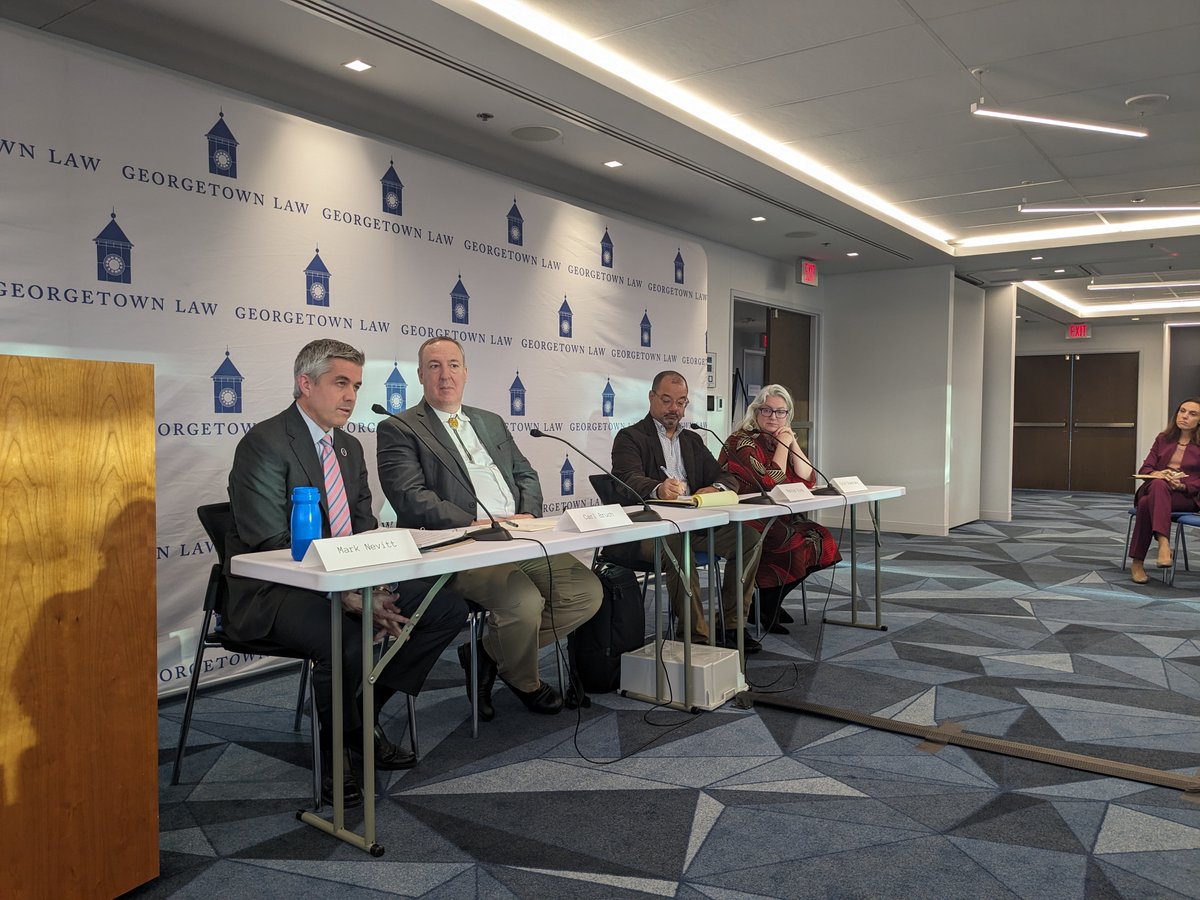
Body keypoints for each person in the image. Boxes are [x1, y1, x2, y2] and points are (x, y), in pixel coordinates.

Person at [224, 339, 466, 806]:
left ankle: (360, 716)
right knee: (346, 637)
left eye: (356, 385)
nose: (351, 396)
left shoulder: (350, 446)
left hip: (345, 580)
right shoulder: (264, 443)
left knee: (443, 608)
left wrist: (371, 586)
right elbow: (269, 543)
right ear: (305, 384)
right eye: (340, 384)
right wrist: (346, 596)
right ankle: (340, 755)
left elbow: (362, 528)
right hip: (276, 590)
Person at [376, 336, 603, 720]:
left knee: (585, 592)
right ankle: (525, 680)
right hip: (460, 546)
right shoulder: (400, 427)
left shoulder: (489, 421)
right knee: (523, 603)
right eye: (434, 366)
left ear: (466, 373)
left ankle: (486, 653)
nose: (445, 375)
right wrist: (472, 522)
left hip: (520, 537)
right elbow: (410, 498)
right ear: (419, 375)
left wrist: (528, 513)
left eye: (452, 365)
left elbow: (525, 473)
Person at [610, 370, 764, 652]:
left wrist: (716, 487)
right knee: (678, 549)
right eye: (667, 400)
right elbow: (625, 479)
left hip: (694, 525)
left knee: (749, 540)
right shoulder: (630, 437)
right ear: (651, 397)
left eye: (681, 402)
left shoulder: (692, 440)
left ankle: (731, 625)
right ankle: (696, 638)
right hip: (650, 530)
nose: (674, 409)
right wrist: (658, 488)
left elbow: (726, 476)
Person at [718, 385, 841, 632]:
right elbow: (771, 482)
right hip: (746, 515)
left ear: (788, 415)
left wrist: (791, 443)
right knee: (794, 542)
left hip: (775, 515)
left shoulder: (777, 439)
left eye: (780, 412)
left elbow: (808, 478)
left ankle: (769, 601)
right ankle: (766, 605)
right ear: (755, 412)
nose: (773, 417)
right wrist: (785, 444)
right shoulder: (741, 441)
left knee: (821, 539)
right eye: (767, 410)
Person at [1128, 398, 1200, 584]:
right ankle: (1164, 545)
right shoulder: (1163, 439)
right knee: (1159, 485)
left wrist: (1183, 485)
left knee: (1146, 503)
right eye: (1182, 411)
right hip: (1157, 489)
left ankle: (1138, 561)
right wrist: (1157, 473)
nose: (1185, 416)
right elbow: (1145, 469)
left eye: (1192, 414)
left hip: (1185, 495)